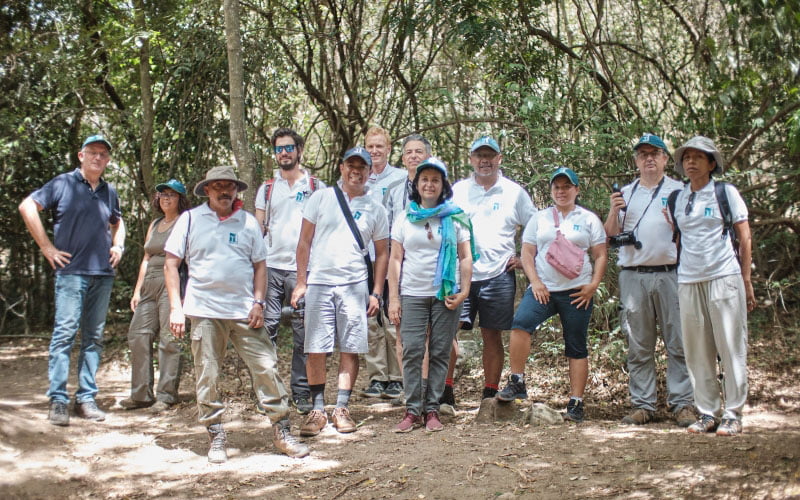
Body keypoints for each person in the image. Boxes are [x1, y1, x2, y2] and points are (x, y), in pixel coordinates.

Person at [164, 165, 308, 463]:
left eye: (229, 186)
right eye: (217, 186)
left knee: (266, 367)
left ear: (236, 190)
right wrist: (176, 308)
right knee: (208, 372)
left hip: (245, 310)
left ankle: (281, 428)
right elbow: (170, 263)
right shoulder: (189, 220)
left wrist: (259, 302)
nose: (224, 191)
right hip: (204, 310)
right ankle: (215, 433)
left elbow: (260, 266)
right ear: (207, 190)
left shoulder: (248, 223)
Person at [19, 134, 125, 426]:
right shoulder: (62, 183)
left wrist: (118, 245)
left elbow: (118, 221)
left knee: (93, 337)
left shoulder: (109, 191)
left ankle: (86, 398)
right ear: (81, 155)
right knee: (64, 335)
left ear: (108, 160)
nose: (98, 158)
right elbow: (28, 207)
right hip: (71, 272)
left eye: (104, 154)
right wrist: (46, 247)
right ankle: (58, 400)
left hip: (101, 274)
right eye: (93, 152)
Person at [291, 147, 389, 436]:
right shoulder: (320, 198)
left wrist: (377, 291)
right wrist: (301, 281)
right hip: (320, 282)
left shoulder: (376, 207)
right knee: (316, 348)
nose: (356, 171)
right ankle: (318, 408)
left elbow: (382, 253)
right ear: (341, 167)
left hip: (354, 283)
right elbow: (304, 242)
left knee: (350, 346)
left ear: (370, 172)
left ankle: (342, 408)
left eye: (362, 167)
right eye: (351, 165)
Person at [497, 167, 607, 423]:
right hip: (543, 288)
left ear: (576, 190)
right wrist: (534, 282)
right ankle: (517, 381)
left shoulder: (589, 219)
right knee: (521, 325)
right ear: (551, 191)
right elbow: (527, 252)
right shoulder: (540, 218)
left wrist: (593, 285)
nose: (561, 191)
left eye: (567, 186)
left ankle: (576, 402)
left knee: (576, 345)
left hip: (577, 291)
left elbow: (600, 254)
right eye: (557, 187)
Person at [604, 134, 695, 427]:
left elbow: (692, 234)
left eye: (654, 153)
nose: (649, 159)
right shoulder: (626, 193)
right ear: (636, 160)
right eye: (643, 154)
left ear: (666, 159)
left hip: (672, 273)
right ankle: (643, 405)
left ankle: (683, 404)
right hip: (634, 276)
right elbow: (608, 236)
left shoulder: (680, 190)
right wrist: (612, 210)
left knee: (678, 342)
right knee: (639, 344)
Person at [668, 136, 754, 436]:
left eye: (698, 157)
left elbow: (744, 238)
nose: (690, 162)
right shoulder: (677, 198)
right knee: (696, 349)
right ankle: (707, 412)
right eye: (686, 157)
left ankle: (733, 413)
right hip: (689, 279)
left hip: (723, 276)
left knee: (730, 345)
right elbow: (679, 237)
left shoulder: (725, 192)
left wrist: (745, 279)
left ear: (712, 163)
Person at [388, 157, 476, 432]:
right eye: (424, 179)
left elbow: (465, 257)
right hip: (412, 292)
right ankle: (412, 409)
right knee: (412, 350)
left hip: (445, 294)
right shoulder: (404, 217)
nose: (429, 184)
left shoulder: (454, 217)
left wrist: (465, 292)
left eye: (435, 180)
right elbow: (395, 259)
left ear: (443, 185)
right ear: (416, 183)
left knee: (440, 351)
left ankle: (433, 410)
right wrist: (393, 298)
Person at [452, 136, 535, 399]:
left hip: (499, 274)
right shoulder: (458, 190)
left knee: (492, 334)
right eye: (479, 155)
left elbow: (536, 227)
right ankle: (444, 391)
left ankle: (489, 393)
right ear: (471, 159)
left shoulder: (514, 193)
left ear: (499, 158)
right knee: (448, 332)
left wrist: (526, 260)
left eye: (490, 155)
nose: (484, 161)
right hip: (459, 273)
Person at [254, 128, 325, 415]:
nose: (283, 153)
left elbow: (324, 226)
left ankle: (301, 392)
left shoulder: (316, 187)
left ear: (299, 150)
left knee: (303, 333)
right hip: (271, 267)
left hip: (303, 271)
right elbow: (258, 228)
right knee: (266, 331)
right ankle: (268, 392)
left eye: (288, 148)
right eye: (278, 149)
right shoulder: (267, 188)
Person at [121, 179, 190, 412]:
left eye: (172, 194)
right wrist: (138, 290)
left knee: (170, 338)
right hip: (149, 282)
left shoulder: (185, 221)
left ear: (180, 199)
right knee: (138, 335)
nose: (166, 198)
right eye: (162, 194)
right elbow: (146, 258)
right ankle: (141, 395)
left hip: (172, 280)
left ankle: (166, 395)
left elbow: (190, 259)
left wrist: (184, 295)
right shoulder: (155, 223)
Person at [361, 126, 407, 400]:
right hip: (364, 256)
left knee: (394, 315)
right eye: (370, 146)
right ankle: (378, 376)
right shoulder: (358, 179)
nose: (375, 151)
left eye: (380, 146)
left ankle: (399, 376)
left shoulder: (401, 178)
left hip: (392, 255)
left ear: (389, 149)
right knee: (370, 316)